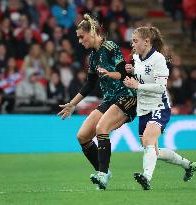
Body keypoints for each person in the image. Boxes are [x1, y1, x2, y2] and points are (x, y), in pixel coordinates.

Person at [58, 14, 137, 190]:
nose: (79, 41)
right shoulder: (93, 57)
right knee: (83, 136)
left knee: (102, 128)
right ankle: (104, 172)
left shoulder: (110, 47)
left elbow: (124, 74)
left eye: (81, 36)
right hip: (110, 100)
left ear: (92, 32)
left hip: (127, 96)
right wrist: (73, 103)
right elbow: (90, 84)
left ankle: (102, 175)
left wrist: (109, 74)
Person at [123, 26, 196, 190]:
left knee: (149, 141)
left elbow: (160, 87)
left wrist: (137, 85)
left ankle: (146, 178)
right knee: (152, 149)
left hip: (159, 105)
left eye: (135, 40)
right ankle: (187, 165)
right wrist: (133, 70)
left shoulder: (158, 59)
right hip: (143, 108)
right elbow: (142, 72)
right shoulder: (136, 58)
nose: (132, 43)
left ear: (146, 41)